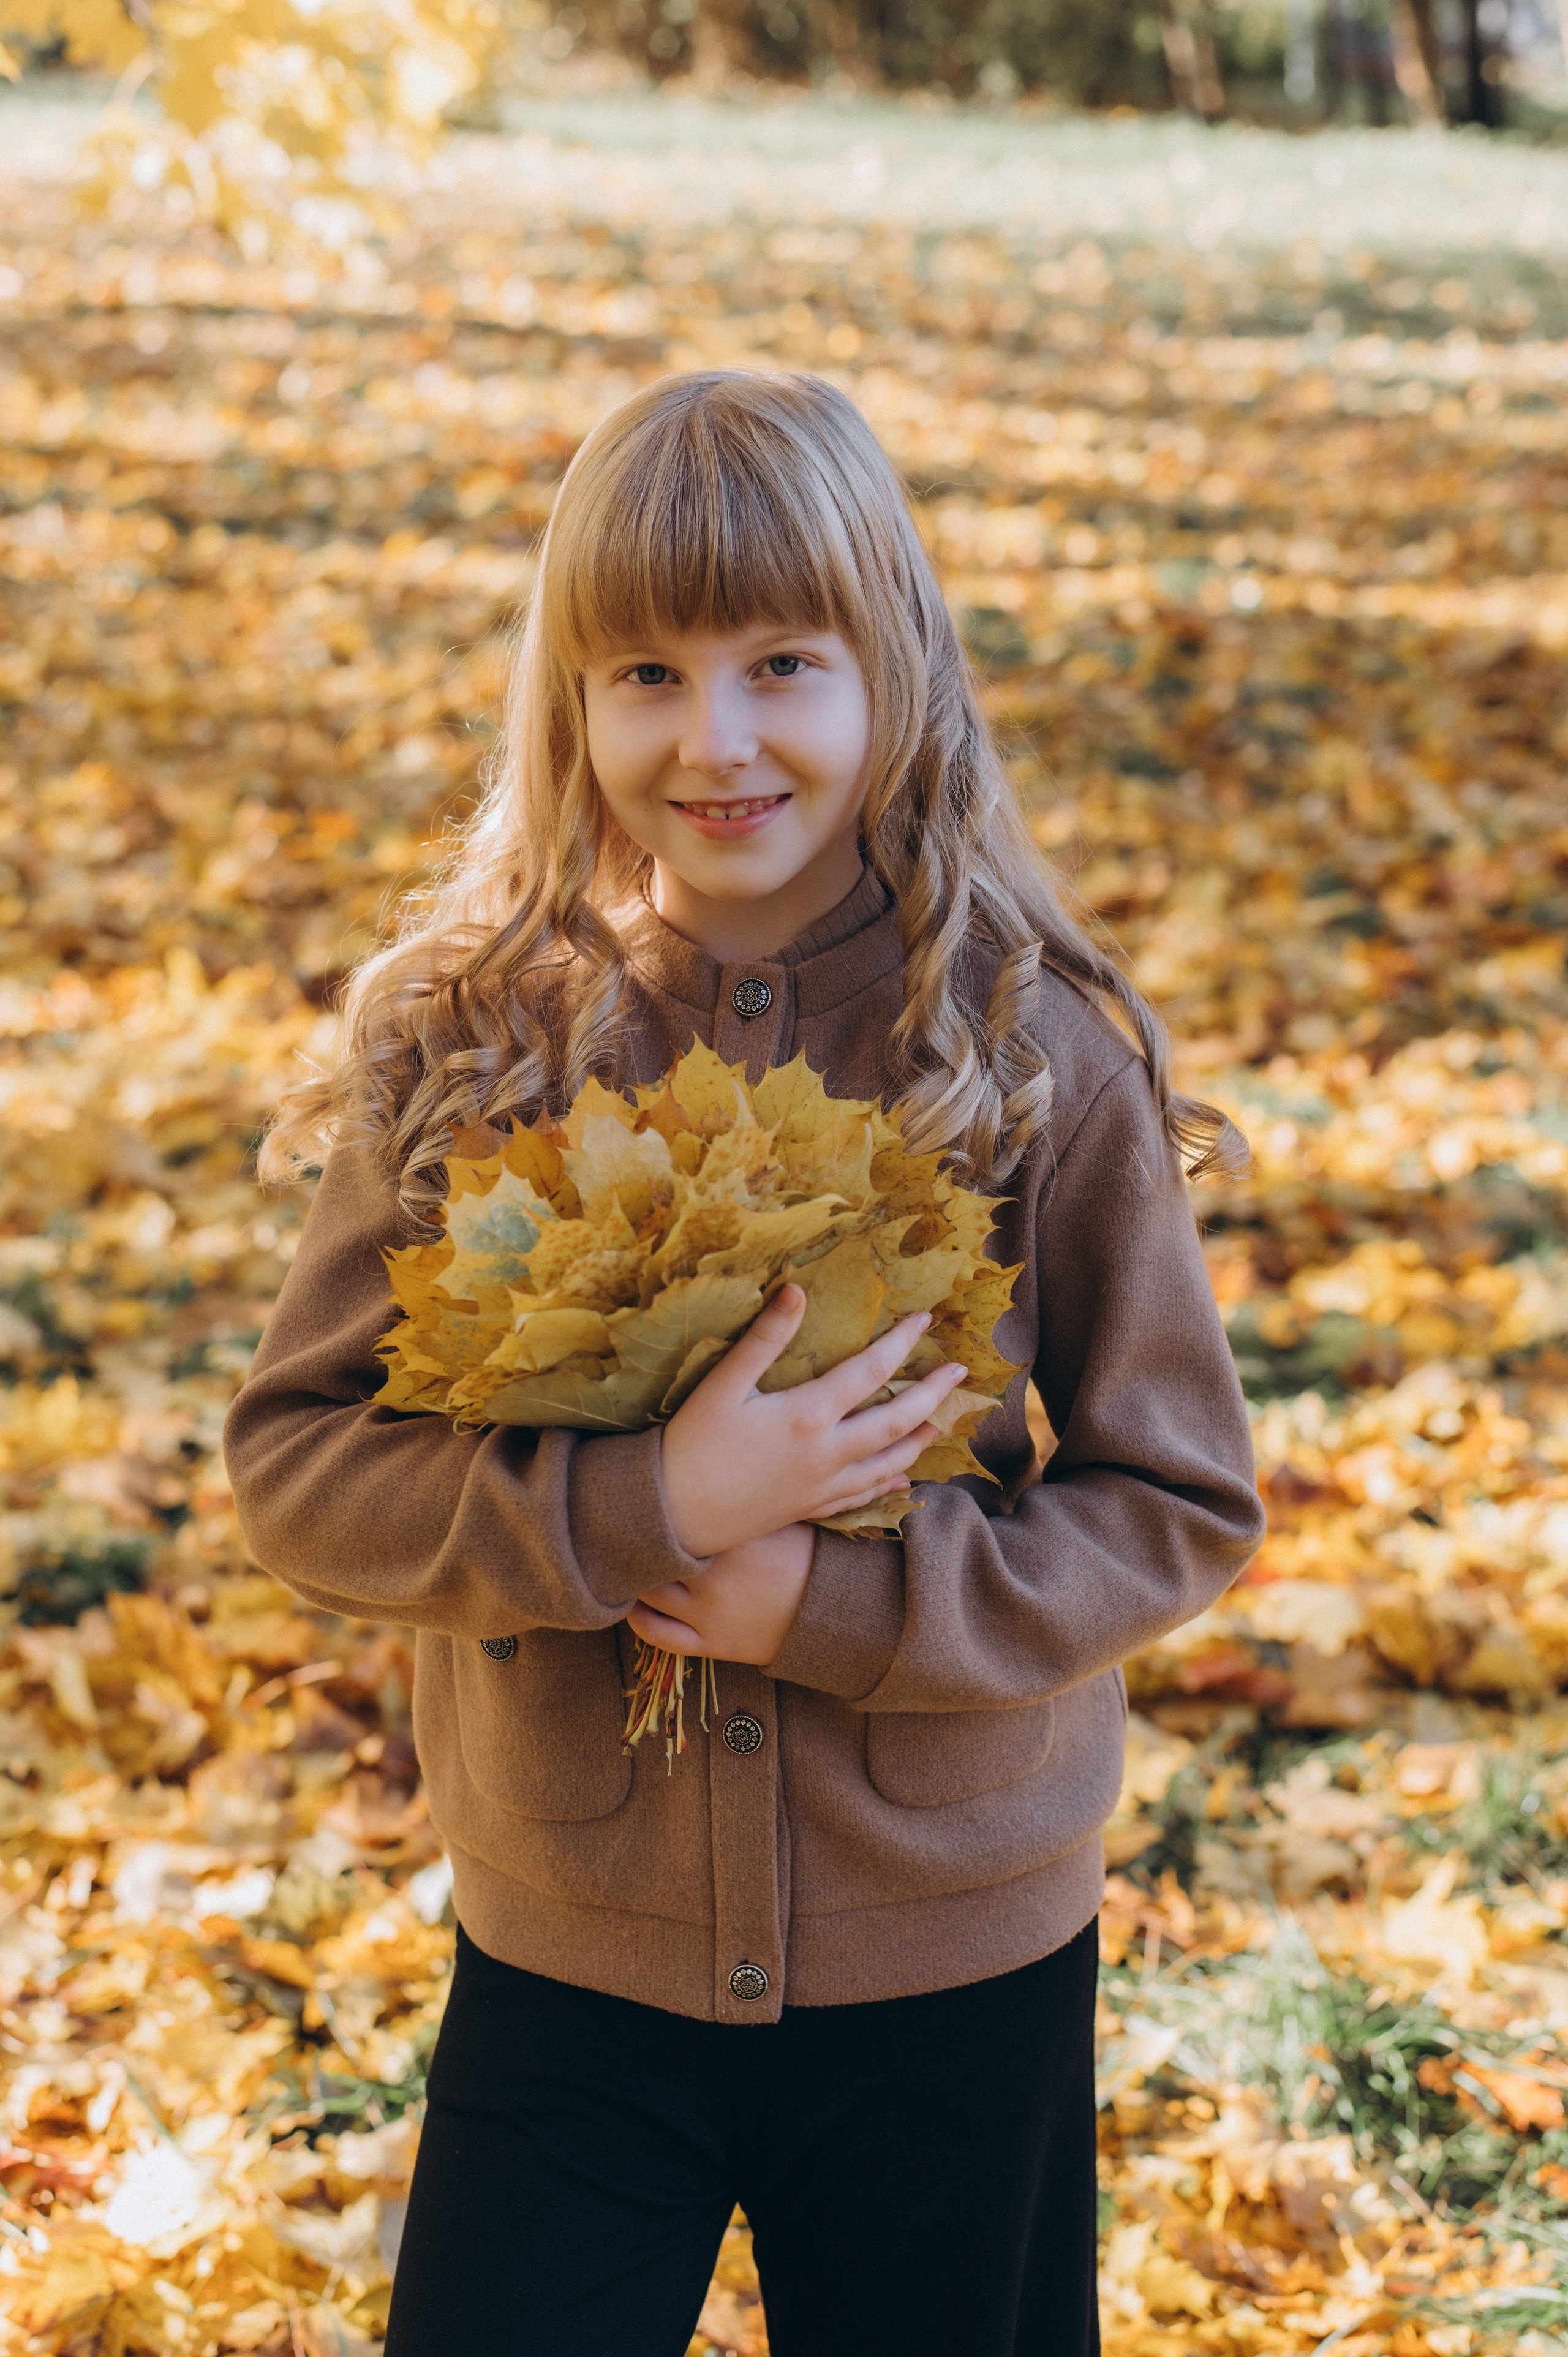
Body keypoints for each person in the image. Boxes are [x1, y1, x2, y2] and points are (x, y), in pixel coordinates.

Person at [224, 370, 1264, 2356]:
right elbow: (302, 1467)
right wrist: (642, 1512)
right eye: (645, 673)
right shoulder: (477, 1048)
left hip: (954, 1970)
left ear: (900, 665)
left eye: (783, 660)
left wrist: (834, 1599)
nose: (715, 739)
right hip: (565, 1965)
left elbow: (1178, 1498)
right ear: (571, 702)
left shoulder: (1040, 1058)